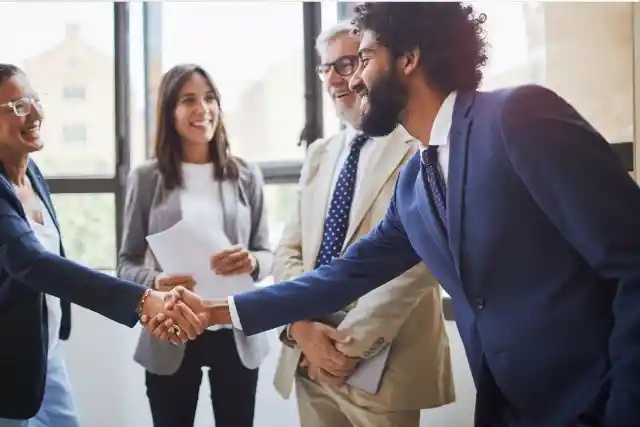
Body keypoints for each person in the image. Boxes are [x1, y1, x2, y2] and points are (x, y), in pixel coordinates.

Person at [150, 2, 640, 427]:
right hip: (515, 409)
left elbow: (632, 261)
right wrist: (218, 311)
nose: (354, 79)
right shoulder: (416, 183)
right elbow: (341, 277)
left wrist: (623, 411)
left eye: (363, 58)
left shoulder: (517, 118)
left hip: (597, 401)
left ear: (409, 58)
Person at [0, 64, 205, 427]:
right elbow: (31, 262)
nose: (34, 113)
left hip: (46, 357)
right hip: (8, 366)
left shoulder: (30, 172)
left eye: (33, 99)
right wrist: (142, 300)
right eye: (17, 106)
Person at [271, 21, 454, 427]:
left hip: (384, 367)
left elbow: (422, 260)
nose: (336, 78)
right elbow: (289, 249)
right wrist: (300, 327)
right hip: (308, 359)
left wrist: (345, 349)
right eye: (326, 68)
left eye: (348, 63)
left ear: (379, 64)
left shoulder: (418, 143)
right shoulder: (320, 153)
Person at [117, 63, 272, 427]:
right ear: (170, 112)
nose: (203, 108)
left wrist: (252, 261)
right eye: (189, 100)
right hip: (171, 328)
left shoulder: (246, 174)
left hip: (234, 329)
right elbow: (126, 262)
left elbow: (268, 252)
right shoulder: (145, 178)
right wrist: (154, 281)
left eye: (210, 97)